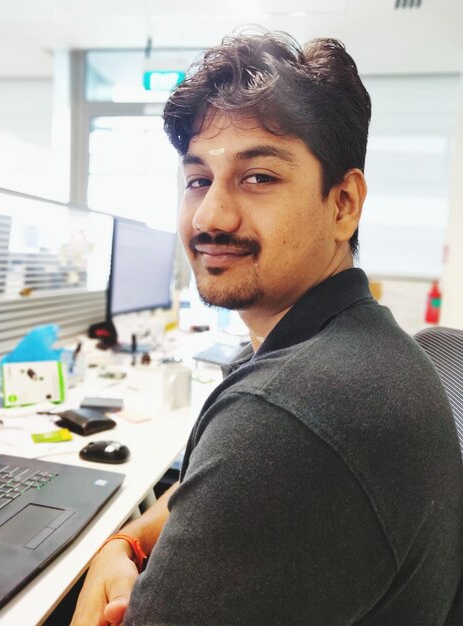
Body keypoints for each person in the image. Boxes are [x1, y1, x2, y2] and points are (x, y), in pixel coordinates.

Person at [71, 31, 463, 625]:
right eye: (198, 178)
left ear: (343, 204)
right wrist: (119, 546)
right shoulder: (354, 343)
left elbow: (268, 455)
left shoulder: (290, 414)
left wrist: (109, 557)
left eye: (258, 177)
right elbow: (217, 488)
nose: (210, 216)